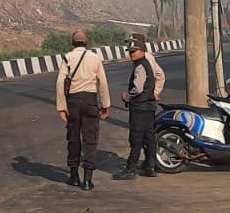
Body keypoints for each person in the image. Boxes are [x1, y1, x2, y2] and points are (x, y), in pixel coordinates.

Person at [56, 29, 111, 191]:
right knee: (90, 139)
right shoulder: (95, 58)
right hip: (91, 101)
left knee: (73, 138)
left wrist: (61, 107)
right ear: (87, 43)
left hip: (73, 102)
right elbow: (103, 82)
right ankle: (87, 180)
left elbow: (60, 83)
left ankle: (73, 176)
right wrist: (106, 105)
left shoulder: (68, 57)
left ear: (73, 43)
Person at [112, 36, 165, 180]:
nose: (131, 54)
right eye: (130, 51)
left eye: (134, 51)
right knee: (148, 137)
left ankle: (130, 169)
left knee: (136, 138)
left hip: (140, 107)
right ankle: (150, 167)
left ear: (142, 51)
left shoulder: (141, 66)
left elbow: (138, 88)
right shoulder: (146, 62)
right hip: (148, 106)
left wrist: (127, 96)